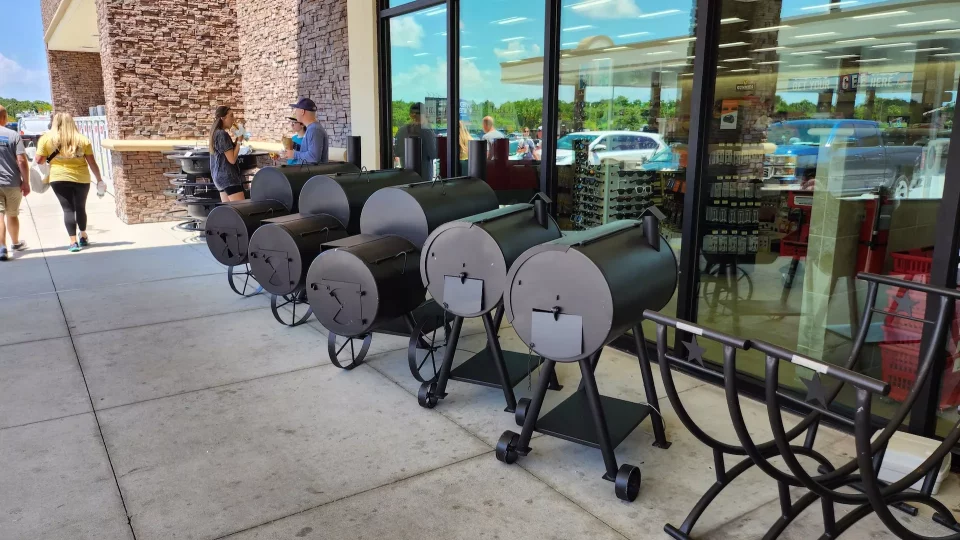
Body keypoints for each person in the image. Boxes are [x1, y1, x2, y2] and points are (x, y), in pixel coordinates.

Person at [35, 112, 105, 253]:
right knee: (80, 207)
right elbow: (92, 162)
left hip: (58, 178)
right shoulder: (83, 140)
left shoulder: (46, 139)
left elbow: (39, 160)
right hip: (81, 178)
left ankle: (73, 242)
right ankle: (83, 235)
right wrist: (99, 179)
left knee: (68, 209)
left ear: (55, 123)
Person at [0, 105, 30, 261]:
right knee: (12, 214)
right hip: (12, 182)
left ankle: (2, 247)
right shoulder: (13, 135)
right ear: (4, 118)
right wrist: (26, 182)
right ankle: (15, 243)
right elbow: (21, 161)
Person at [208, 105, 245, 203]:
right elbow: (232, 159)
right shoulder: (222, 134)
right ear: (223, 118)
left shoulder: (215, 133)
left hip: (219, 178)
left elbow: (227, 153)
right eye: (231, 116)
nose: (233, 119)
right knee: (241, 208)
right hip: (228, 178)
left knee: (228, 210)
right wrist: (239, 141)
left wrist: (238, 139)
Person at [393, 102, 437, 178]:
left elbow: (397, 152)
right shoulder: (427, 131)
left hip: (406, 176)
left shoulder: (401, 130)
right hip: (424, 178)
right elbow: (433, 154)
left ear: (410, 115)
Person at [285, 98, 329, 165]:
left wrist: (294, 154)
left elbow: (314, 157)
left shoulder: (314, 130)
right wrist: (293, 148)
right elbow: (309, 151)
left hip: (312, 172)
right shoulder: (312, 128)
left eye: (296, 110)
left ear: (302, 111)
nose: (295, 113)